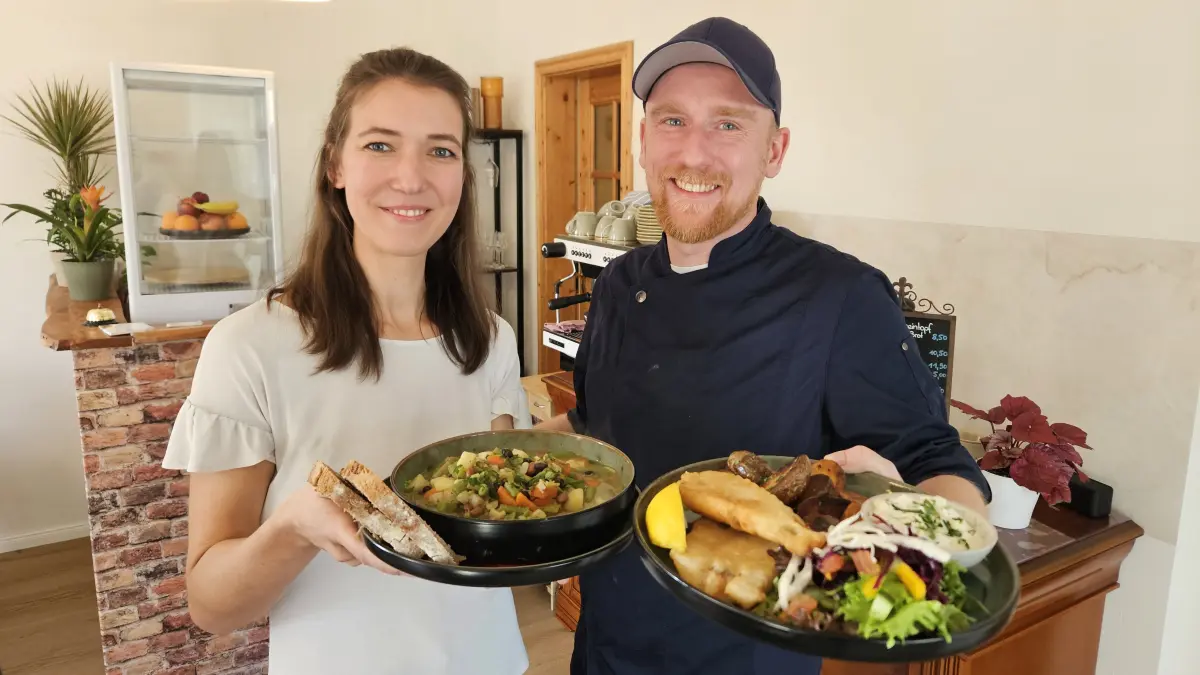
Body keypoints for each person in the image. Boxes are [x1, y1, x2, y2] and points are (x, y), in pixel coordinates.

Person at [536, 17, 992, 675]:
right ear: (642, 140)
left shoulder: (841, 296)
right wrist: (513, 451)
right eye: (671, 121)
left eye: (727, 124)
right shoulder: (620, 283)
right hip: (605, 644)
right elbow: (590, 424)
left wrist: (922, 517)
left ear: (774, 150)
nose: (693, 154)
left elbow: (940, 465)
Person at [161, 47, 530, 675]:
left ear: (462, 177)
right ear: (335, 163)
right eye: (381, 145)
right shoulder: (249, 347)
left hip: (490, 660)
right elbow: (212, 607)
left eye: (441, 150)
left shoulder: (490, 338)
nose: (411, 178)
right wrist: (292, 529)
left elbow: (495, 519)